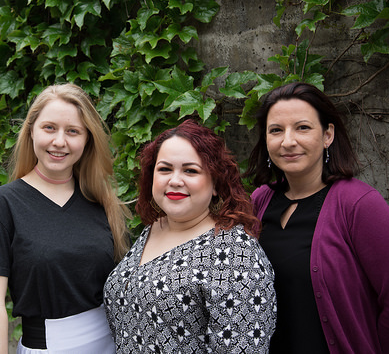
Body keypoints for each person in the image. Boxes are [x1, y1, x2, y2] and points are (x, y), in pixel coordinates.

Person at [245, 82, 389, 354]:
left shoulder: (358, 205)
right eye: (276, 130)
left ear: (327, 135)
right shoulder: (258, 202)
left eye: (302, 127)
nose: (288, 141)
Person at [0, 84, 130, 353]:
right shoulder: (2, 205)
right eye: (49, 128)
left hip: (112, 344)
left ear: (87, 139)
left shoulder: (101, 201)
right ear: (31, 130)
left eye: (73, 131)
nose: (59, 142)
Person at [103, 119, 276, 353]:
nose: (175, 180)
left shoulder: (235, 252)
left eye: (190, 170)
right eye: (164, 169)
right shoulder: (152, 230)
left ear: (215, 183)